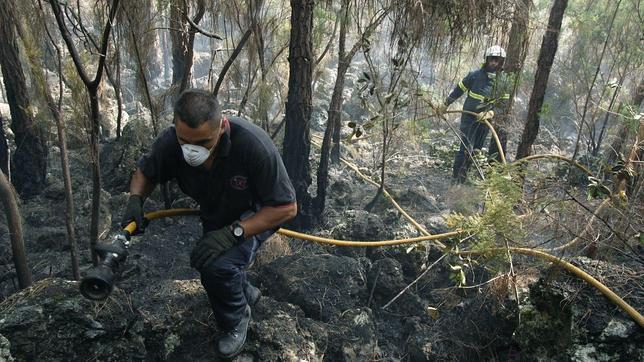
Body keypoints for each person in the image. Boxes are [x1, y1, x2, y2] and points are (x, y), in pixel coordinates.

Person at [120, 89, 297, 358]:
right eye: (184, 141)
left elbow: (286, 207)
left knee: (215, 267)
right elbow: (146, 171)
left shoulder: (253, 146)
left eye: (203, 142)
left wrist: (235, 233)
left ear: (222, 127)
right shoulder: (172, 143)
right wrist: (136, 199)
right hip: (217, 210)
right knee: (209, 256)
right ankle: (245, 291)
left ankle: (236, 319)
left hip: (258, 212)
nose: (192, 151)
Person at [437, 45, 511, 183]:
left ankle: (465, 178)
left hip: (485, 121)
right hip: (469, 118)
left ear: (502, 62)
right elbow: (459, 90)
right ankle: (456, 179)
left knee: (476, 150)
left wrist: (491, 112)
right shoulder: (474, 75)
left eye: (497, 60)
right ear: (487, 59)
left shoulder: (504, 82)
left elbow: (504, 105)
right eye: (492, 59)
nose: (494, 63)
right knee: (466, 148)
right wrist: (446, 104)